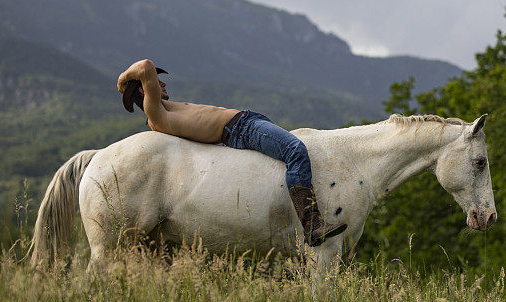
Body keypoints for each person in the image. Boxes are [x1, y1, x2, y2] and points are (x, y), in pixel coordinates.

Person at [116, 59, 346, 247]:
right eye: (157, 82)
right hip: (241, 129)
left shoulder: (165, 108)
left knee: (293, 148)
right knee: (295, 150)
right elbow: (145, 65)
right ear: (143, 89)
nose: (163, 85)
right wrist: (123, 80)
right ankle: (312, 224)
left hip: (246, 122)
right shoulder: (154, 112)